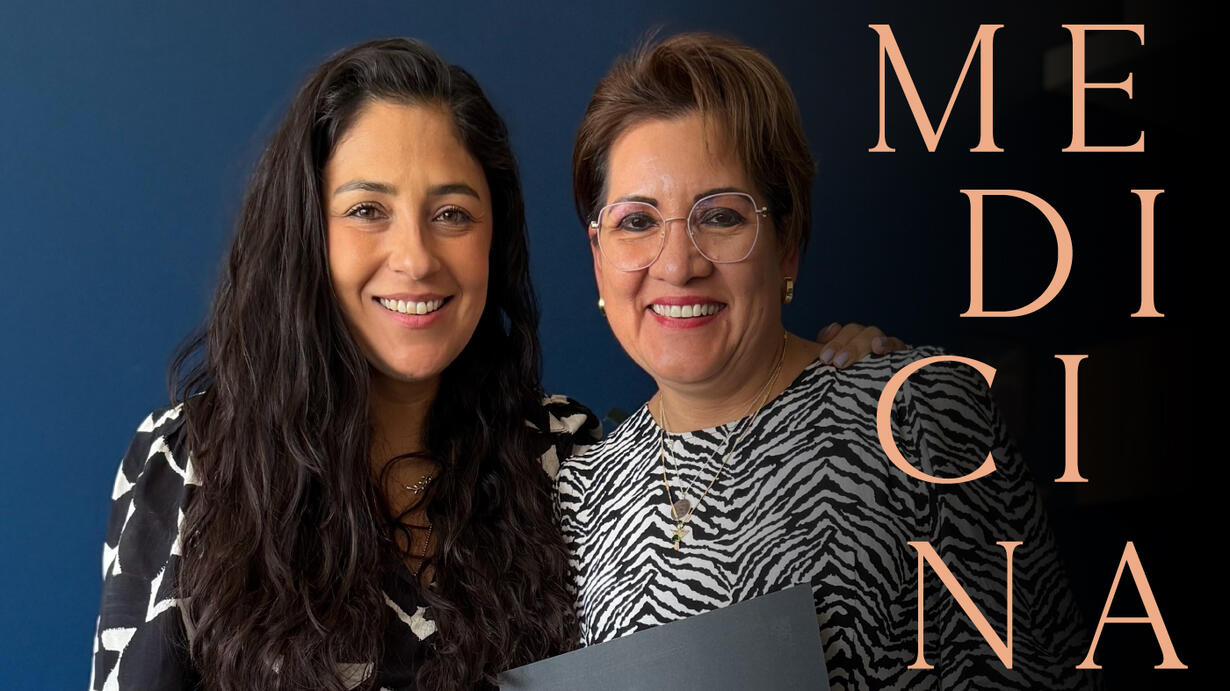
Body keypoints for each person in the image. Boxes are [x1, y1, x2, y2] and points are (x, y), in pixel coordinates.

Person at [90, 38, 896, 690]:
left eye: (452, 213)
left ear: (493, 240)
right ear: (306, 235)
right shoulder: (192, 460)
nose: (416, 257)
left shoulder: (565, 455)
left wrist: (841, 380)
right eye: (367, 209)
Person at [560, 33, 1097, 690]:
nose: (678, 264)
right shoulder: (579, 494)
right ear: (599, 257)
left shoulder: (918, 415)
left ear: (786, 242)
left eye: (721, 216)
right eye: (637, 222)